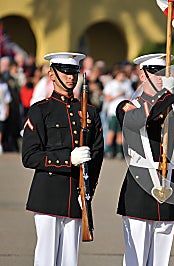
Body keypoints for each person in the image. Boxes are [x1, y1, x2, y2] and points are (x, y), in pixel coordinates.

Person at [21, 52, 104, 266]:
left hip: (76, 194)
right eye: (65, 72)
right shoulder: (41, 111)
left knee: (70, 259)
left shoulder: (90, 113)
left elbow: (96, 156)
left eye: (74, 72)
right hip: (48, 194)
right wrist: (67, 158)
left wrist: (87, 192)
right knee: (46, 258)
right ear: (51, 74)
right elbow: (30, 156)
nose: (70, 77)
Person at [115, 53, 174, 266]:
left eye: (164, 72)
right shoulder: (129, 106)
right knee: (135, 258)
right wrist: (165, 96)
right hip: (139, 191)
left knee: (160, 260)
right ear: (142, 74)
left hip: (167, 191)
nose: (160, 77)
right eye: (155, 72)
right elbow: (142, 120)